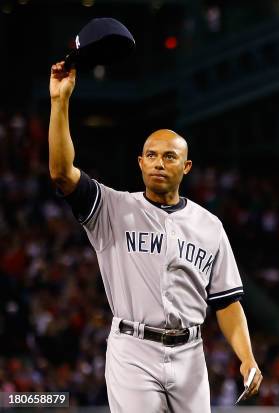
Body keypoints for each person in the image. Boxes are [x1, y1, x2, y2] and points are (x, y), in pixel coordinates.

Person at [48, 61, 262, 412]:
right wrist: (60, 103)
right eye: (151, 155)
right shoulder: (112, 208)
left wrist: (247, 357)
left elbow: (226, 302)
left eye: (168, 156)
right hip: (134, 349)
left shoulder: (209, 226)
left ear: (186, 166)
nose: (158, 163)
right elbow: (61, 173)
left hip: (190, 353)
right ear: (140, 163)